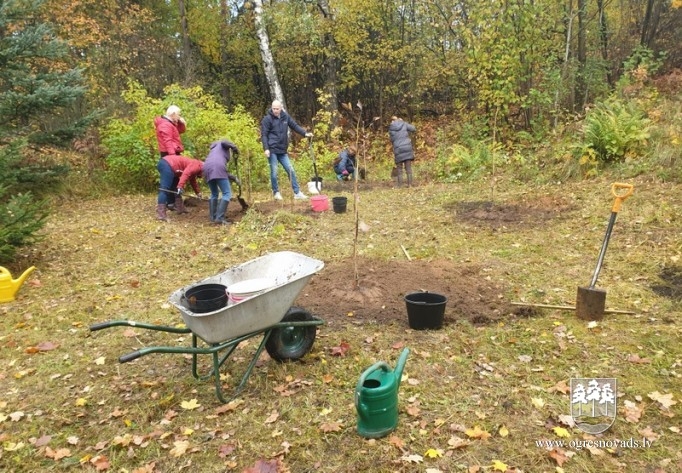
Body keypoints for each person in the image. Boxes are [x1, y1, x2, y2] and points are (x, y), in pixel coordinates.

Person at [260, 100, 312, 200]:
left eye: (277, 109)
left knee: (290, 170)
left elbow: (295, 126)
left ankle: (297, 193)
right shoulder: (267, 119)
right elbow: (264, 135)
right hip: (272, 149)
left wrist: (305, 133)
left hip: (282, 150)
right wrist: (266, 149)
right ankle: (276, 192)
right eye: (273, 109)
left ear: (281, 108)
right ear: (271, 108)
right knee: (274, 172)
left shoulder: (285, 117)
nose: (275, 111)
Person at [154, 105, 187, 210]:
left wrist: (182, 122)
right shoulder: (165, 125)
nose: (179, 116)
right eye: (178, 114)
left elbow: (180, 131)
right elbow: (168, 141)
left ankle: (174, 203)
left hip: (172, 153)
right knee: (170, 179)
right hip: (169, 154)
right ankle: (170, 203)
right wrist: (173, 157)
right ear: (173, 114)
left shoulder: (171, 123)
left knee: (175, 178)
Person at [202, 139, 240, 225]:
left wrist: (234, 178)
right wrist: (235, 148)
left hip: (206, 168)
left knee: (214, 193)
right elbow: (224, 141)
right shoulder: (221, 144)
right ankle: (220, 218)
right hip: (217, 167)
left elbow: (220, 170)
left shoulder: (214, 150)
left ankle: (213, 217)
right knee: (227, 193)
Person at [156, 154, 203, 221]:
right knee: (165, 189)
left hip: (172, 168)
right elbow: (186, 174)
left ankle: (180, 209)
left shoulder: (197, 167)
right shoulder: (197, 165)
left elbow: (192, 180)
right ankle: (161, 215)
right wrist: (180, 186)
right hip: (167, 164)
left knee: (176, 188)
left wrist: (198, 192)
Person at [388, 115, 416, 187]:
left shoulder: (391, 129)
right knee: (408, 167)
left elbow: (391, 140)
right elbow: (413, 128)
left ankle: (400, 185)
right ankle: (410, 184)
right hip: (407, 147)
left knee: (399, 168)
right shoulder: (403, 124)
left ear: (392, 121)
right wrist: (403, 122)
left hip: (398, 148)